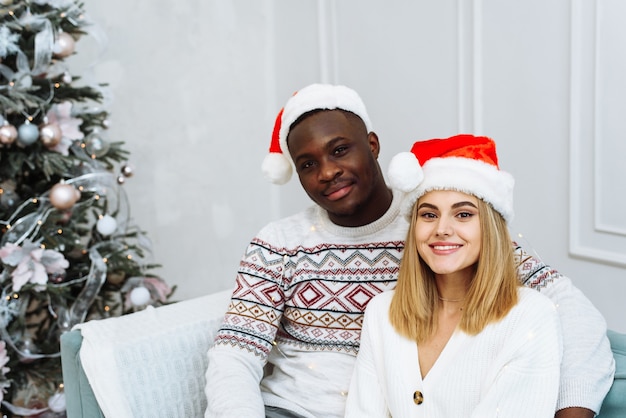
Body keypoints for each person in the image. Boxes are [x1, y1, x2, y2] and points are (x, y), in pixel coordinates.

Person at [204, 83, 614, 418]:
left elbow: (568, 308)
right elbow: (235, 353)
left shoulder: (437, 229)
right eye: (307, 164)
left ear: (373, 145)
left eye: (340, 149)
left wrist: (573, 407)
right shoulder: (278, 244)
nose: (327, 172)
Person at [344, 134, 562, 417]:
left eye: (463, 215)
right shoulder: (382, 313)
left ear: (490, 228)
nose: (442, 229)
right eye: (429, 215)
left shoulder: (530, 316)